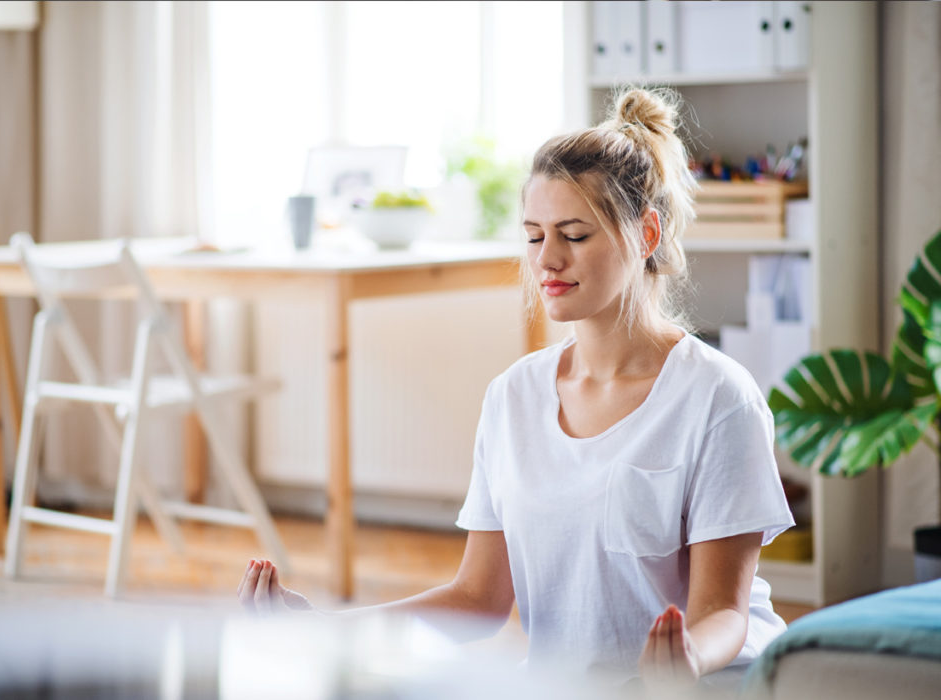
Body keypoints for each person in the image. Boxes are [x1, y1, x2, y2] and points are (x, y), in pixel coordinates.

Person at [237, 86, 795, 690]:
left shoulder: (718, 398)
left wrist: (688, 653)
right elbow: (478, 598)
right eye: (534, 236)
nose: (547, 259)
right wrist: (327, 627)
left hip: (709, 684)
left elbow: (724, 615)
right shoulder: (513, 398)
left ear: (648, 233)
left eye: (574, 235)